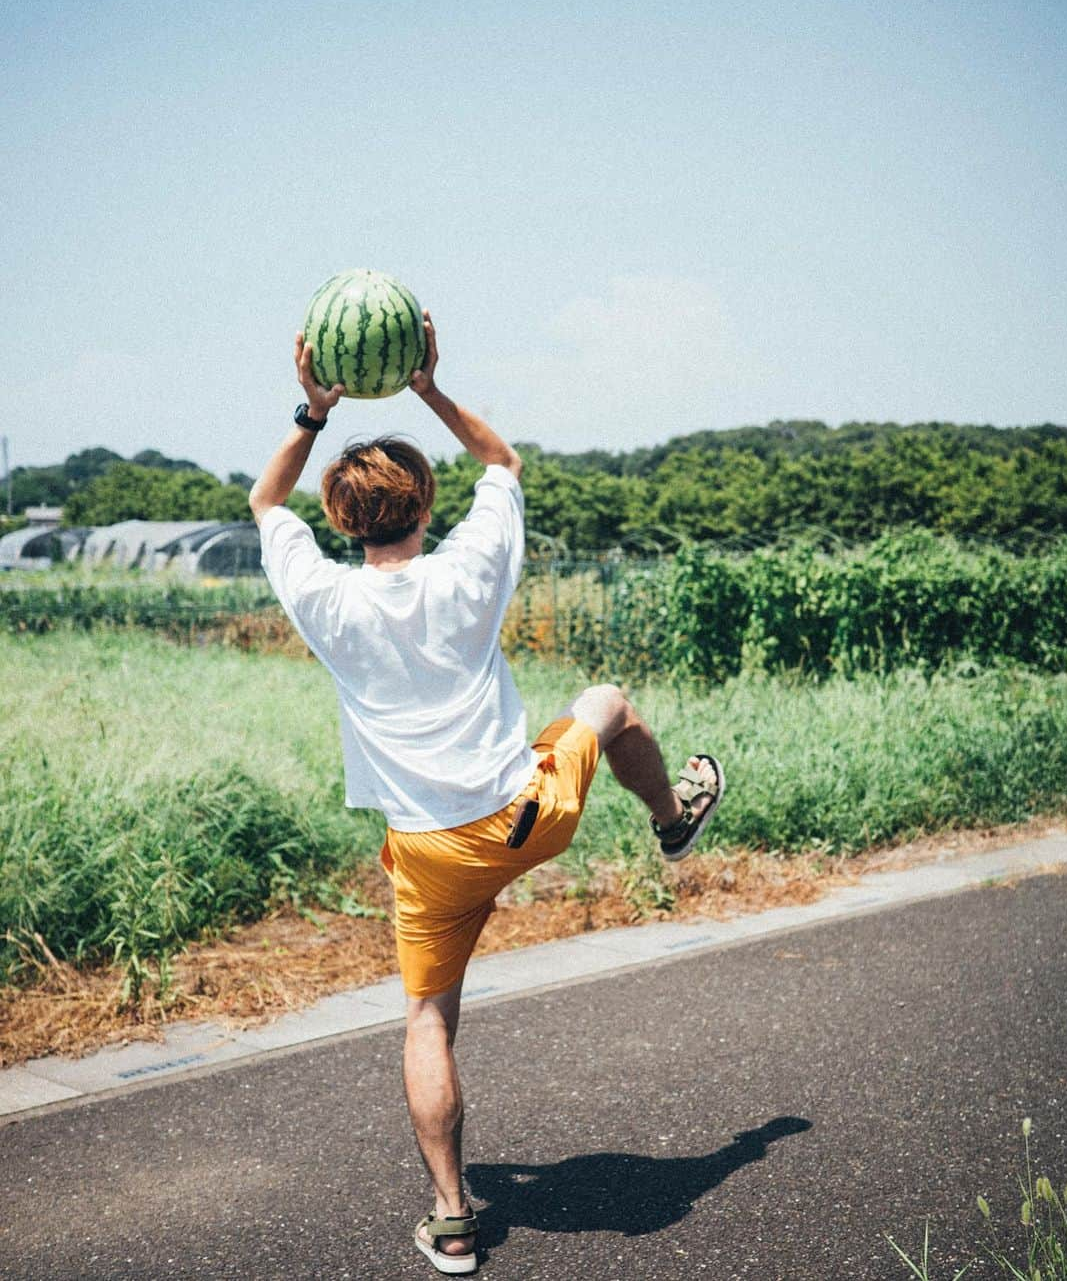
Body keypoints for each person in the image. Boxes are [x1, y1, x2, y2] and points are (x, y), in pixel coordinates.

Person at [248, 312, 724, 1275]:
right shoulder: (469, 568)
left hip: (424, 852)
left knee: (428, 1020)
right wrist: (426, 385)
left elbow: (264, 501)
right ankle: (673, 822)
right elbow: (501, 460)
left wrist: (316, 409)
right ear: (425, 503)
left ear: (340, 521)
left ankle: (454, 1216)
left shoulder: (323, 598)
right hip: (524, 817)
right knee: (610, 704)